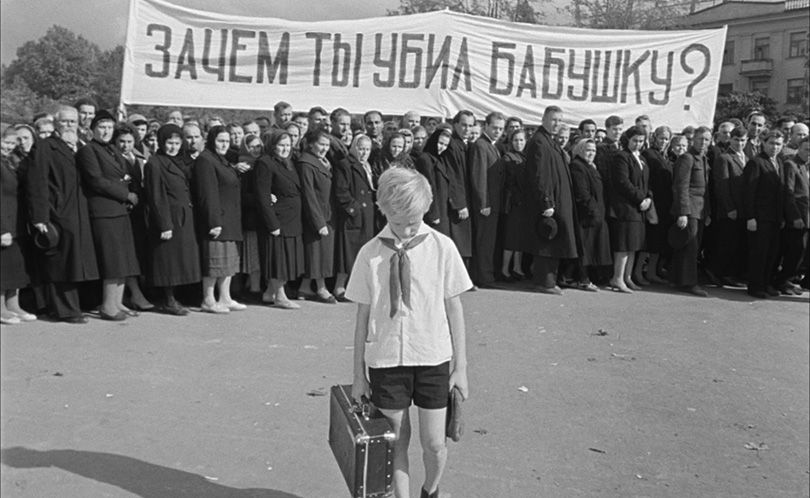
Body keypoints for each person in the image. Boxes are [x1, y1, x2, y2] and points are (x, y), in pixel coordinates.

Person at [348, 166, 471, 498]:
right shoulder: (370, 254)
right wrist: (358, 374)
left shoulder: (442, 248)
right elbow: (362, 317)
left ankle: (430, 490)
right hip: (387, 360)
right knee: (396, 442)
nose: (406, 229)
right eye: (398, 221)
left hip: (432, 357)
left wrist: (460, 368)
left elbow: (454, 307)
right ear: (384, 211)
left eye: (414, 221)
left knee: (434, 443)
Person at [26, 106, 99, 323]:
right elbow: (36, 183)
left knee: (77, 261)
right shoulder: (45, 147)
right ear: (56, 124)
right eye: (65, 122)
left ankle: (78, 305)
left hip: (81, 212)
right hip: (58, 212)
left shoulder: (82, 147)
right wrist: (39, 217)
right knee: (61, 263)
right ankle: (64, 310)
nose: (69, 126)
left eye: (73, 122)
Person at [76, 110, 143, 320]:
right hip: (104, 211)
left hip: (119, 210)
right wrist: (125, 193)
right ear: (92, 130)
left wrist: (126, 191)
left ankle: (118, 302)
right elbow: (96, 180)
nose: (106, 131)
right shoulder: (88, 150)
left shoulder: (112, 149)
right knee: (112, 260)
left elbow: (122, 175)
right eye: (101, 127)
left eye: (109, 127)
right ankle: (107, 305)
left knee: (123, 260)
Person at [143, 124, 200, 315]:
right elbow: (156, 196)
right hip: (170, 217)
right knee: (168, 261)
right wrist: (164, 224)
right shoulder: (155, 163)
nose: (173, 147)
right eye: (169, 143)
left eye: (177, 142)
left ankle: (177, 296)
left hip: (184, 217)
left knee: (179, 260)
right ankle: (168, 299)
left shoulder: (179, 161)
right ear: (161, 142)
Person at [523, 106, 579, 295]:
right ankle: (544, 282)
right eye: (553, 120)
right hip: (548, 203)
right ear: (544, 119)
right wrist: (545, 201)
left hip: (557, 200)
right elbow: (538, 175)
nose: (557, 124)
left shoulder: (549, 141)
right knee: (547, 241)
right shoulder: (539, 142)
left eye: (559, 120)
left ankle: (549, 280)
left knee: (554, 241)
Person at [192, 126, 245, 313]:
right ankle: (208, 299)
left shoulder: (221, 160)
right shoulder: (205, 160)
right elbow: (207, 194)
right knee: (214, 262)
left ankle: (225, 297)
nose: (224, 144)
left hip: (230, 219)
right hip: (217, 220)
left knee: (228, 263)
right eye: (220, 141)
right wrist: (213, 221)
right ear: (212, 140)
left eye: (227, 141)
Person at [254, 131, 304, 309]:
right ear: (272, 145)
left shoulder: (288, 163)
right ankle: (280, 296)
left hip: (292, 219)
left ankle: (270, 292)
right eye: (281, 145)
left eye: (288, 145)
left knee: (285, 258)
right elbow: (262, 195)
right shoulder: (265, 163)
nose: (285, 149)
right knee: (278, 260)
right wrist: (272, 223)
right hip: (277, 219)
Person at [606, 125, 652, 293]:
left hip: (639, 209)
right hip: (626, 208)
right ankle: (617, 278)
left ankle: (627, 277)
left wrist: (649, 198)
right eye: (634, 141)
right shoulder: (621, 157)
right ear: (628, 140)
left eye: (641, 141)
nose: (638, 144)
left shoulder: (642, 158)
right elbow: (622, 182)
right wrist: (640, 199)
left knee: (633, 245)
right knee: (623, 245)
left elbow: (646, 183)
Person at [114, 124, 154, 311]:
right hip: (123, 210)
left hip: (138, 212)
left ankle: (131, 294)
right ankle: (133, 294)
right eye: (121, 141)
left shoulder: (136, 158)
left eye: (129, 141)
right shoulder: (114, 158)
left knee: (136, 252)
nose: (125, 145)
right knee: (126, 254)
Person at [742, 130, 786, 299]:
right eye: (771, 143)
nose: (775, 147)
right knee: (759, 253)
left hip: (774, 217)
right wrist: (750, 217)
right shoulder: (756, 163)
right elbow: (749, 192)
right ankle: (755, 286)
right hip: (759, 217)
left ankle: (766, 283)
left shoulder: (779, 163)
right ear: (764, 143)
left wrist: (781, 216)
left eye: (778, 144)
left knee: (772, 253)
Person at [333, 134, 376, 300]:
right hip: (354, 215)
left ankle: (357, 287)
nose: (364, 153)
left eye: (367, 149)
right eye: (360, 148)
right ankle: (339, 287)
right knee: (348, 252)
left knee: (363, 252)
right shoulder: (346, 164)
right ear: (354, 147)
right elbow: (341, 191)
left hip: (367, 215)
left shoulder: (367, 165)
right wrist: (354, 209)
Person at [670, 126, 712, 297]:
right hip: (690, 209)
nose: (703, 142)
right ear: (693, 139)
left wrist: (707, 212)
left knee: (691, 246)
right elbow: (681, 186)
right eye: (700, 139)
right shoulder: (687, 158)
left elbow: (705, 189)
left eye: (707, 140)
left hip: (700, 209)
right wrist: (683, 212)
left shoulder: (703, 159)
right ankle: (688, 283)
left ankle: (678, 279)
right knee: (689, 247)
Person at [1, 127, 36, 324]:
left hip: (14, 220)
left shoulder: (9, 162)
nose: (9, 147)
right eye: (6, 142)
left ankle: (13, 304)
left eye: (13, 144)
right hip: (3, 222)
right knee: (3, 267)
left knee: (15, 265)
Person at [298, 130, 337, 303]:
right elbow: (309, 194)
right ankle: (321, 288)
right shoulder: (306, 163)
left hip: (326, 214)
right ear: (311, 144)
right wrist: (318, 222)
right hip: (317, 216)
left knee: (318, 253)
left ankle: (304, 288)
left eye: (327, 145)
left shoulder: (322, 161)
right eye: (321, 144)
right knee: (318, 254)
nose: (324, 148)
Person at [568, 138, 611, 291]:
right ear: (580, 150)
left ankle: (580, 278)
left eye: (593, 150)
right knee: (584, 250)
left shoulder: (591, 166)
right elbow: (582, 193)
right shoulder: (577, 166)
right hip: (586, 216)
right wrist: (594, 211)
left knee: (591, 249)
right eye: (588, 150)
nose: (591, 153)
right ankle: (582, 279)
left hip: (596, 214)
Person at [467, 111, 504, 287]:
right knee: (484, 242)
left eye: (501, 129)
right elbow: (479, 175)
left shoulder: (492, 146)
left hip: (493, 202)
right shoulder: (481, 145)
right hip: (486, 204)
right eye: (495, 128)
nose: (498, 131)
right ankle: (484, 277)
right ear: (486, 126)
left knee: (488, 242)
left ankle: (486, 274)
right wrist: (483, 202)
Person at [708, 126, 748, 287]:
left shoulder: (746, 157)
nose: (739, 143)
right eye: (736, 140)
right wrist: (729, 207)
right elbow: (722, 186)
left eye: (742, 140)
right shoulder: (724, 158)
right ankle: (717, 272)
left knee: (735, 243)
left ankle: (729, 273)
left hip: (742, 209)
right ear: (731, 139)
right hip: (729, 210)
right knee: (726, 242)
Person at [773, 136, 808, 294]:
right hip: (796, 218)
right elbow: (788, 193)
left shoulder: (804, 166)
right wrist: (795, 217)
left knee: (800, 251)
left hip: (806, 217)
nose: (809, 153)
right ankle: (782, 280)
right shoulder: (790, 164)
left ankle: (788, 279)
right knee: (793, 250)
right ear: (799, 148)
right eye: (807, 149)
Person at [640, 126, 674, 284]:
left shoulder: (667, 156)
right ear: (654, 138)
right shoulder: (648, 154)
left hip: (666, 203)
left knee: (659, 241)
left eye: (667, 139)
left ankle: (653, 271)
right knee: (648, 241)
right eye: (661, 138)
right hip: (654, 202)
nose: (664, 141)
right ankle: (638, 272)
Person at [445, 111, 474, 267]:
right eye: (463, 125)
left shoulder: (465, 144)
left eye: (470, 125)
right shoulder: (452, 145)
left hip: (467, 200)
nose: (466, 129)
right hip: (458, 204)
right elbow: (453, 176)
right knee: (458, 242)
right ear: (455, 125)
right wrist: (460, 204)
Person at [500, 129, 529, 281]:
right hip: (513, 203)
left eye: (521, 140)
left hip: (524, 203)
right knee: (511, 237)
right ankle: (505, 269)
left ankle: (517, 267)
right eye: (516, 140)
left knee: (520, 237)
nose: (519, 143)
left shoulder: (526, 157)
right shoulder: (508, 158)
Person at [236, 134, 263, 296]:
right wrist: (262, 198)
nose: (255, 150)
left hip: (261, 218)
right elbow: (241, 195)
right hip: (250, 218)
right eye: (251, 146)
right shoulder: (243, 167)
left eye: (258, 146)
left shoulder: (262, 164)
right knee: (253, 257)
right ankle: (254, 288)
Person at [415, 127, 453, 237]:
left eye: (445, 145)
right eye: (440, 143)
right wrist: (433, 213)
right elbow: (428, 186)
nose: (442, 147)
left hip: (442, 210)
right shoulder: (425, 159)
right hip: (434, 211)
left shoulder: (439, 159)